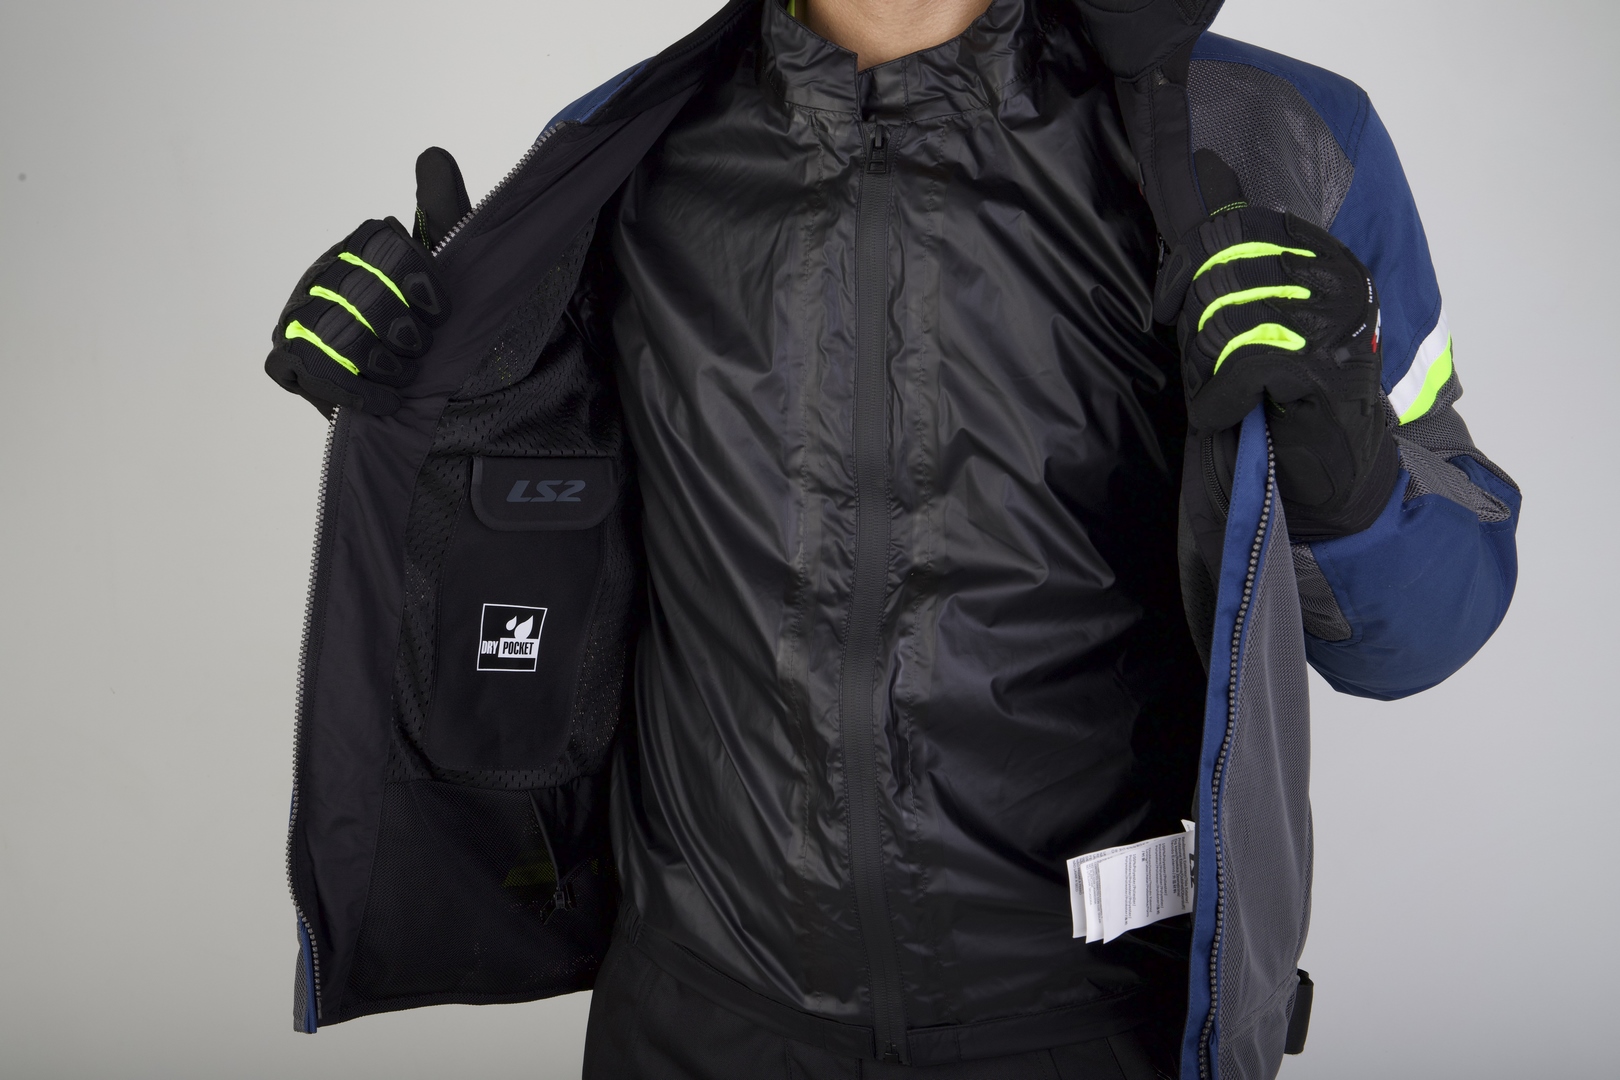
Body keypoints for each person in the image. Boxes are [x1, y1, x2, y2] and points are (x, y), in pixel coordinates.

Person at [263, 1, 1520, 1077]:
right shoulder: (618, 152)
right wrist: (432, 408)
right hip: (697, 1023)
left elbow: (1427, 627)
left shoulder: (1262, 140)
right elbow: (555, 551)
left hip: (1093, 1029)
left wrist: (1349, 482)